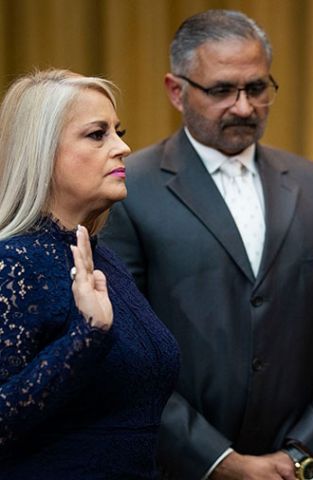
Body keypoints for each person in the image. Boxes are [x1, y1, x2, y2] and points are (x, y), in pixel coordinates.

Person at [100, 9, 313, 480]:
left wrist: (302, 452)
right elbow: (125, 352)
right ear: (176, 90)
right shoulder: (129, 191)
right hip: (174, 467)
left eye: (257, 88)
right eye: (222, 90)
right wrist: (219, 461)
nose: (244, 107)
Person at [0, 69, 179, 478]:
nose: (123, 147)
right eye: (98, 134)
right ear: (42, 151)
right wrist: (86, 339)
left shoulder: (104, 260)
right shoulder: (14, 263)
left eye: (119, 131)